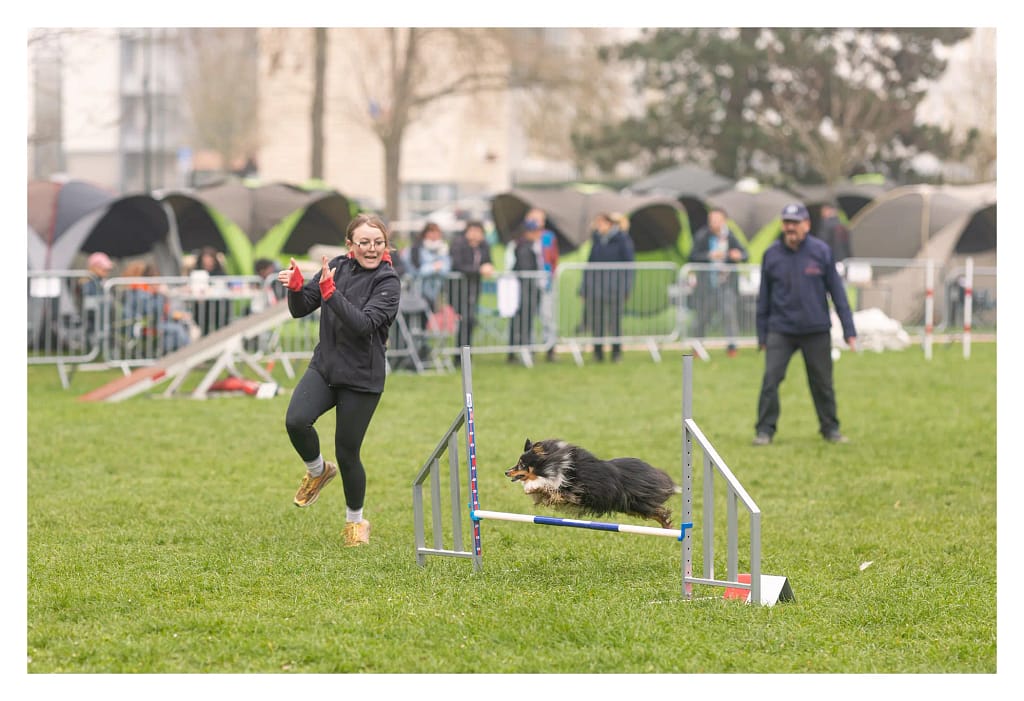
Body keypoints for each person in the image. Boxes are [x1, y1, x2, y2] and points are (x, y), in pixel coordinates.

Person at [278, 213, 401, 547]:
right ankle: (318, 471)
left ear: (385, 245)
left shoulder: (388, 283)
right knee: (296, 421)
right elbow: (301, 308)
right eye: (364, 243)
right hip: (326, 367)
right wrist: (295, 288)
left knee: (348, 453)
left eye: (378, 242)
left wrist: (331, 294)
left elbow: (363, 325)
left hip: (362, 377)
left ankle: (355, 523)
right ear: (351, 245)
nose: (372, 249)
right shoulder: (338, 267)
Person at [753, 202, 857, 446]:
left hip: (816, 329)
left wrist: (849, 330)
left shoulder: (821, 251)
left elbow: (837, 293)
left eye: (795, 223)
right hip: (781, 329)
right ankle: (764, 430)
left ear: (807, 225)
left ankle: (830, 429)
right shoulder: (771, 254)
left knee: (822, 383)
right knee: (770, 381)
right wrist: (761, 335)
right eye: (787, 223)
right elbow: (763, 298)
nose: (790, 227)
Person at [687, 207, 749, 356]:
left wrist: (738, 255)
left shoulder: (731, 236)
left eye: (717, 220)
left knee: (729, 314)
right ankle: (697, 347)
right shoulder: (702, 236)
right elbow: (692, 256)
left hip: (727, 284)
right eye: (711, 220)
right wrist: (709, 255)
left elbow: (745, 254)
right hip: (707, 284)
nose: (714, 223)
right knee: (702, 317)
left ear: (724, 221)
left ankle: (732, 347)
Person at [580, 212, 635, 362]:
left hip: (615, 288)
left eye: (601, 223)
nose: (598, 227)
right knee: (597, 321)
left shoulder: (622, 239)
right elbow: (590, 265)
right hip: (597, 288)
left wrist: (626, 288)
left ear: (610, 224)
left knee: (615, 322)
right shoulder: (597, 240)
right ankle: (598, 353)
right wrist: (584, 288)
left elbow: (629, 265)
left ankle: (616, 353)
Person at [119, 260, 193, 354]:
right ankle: (188, 354)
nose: (158, 283)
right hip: (143, 324)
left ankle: (170, 355)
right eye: (156, 279)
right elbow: (151, 311)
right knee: (176, 328)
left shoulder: (145, 292)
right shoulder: (140, 292)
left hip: (152, 322)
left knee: (180, 325)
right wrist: (160, 295)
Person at [448, 219, 495, 358]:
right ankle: (460, 355)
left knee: (470, 320)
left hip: (474, 288)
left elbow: (488, 261)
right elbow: (458, 265)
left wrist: (488, 266)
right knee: (465, 320)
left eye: (478, 232)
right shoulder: (458, 244)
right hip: (458, 289)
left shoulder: (484, 245)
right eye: (472, 231)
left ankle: (466, 353)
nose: (475, 235)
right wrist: (479, 270)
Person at [504, 214, 546, 363]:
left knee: (520, 322)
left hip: (524, 290)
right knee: (523, 322)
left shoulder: (524, 246)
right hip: (525, 291)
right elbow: (526, 269)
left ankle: (516, 351)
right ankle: (522, 351)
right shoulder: (525, 247)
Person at [403, 221, 451, 312]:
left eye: (437, 232)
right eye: (431, 231)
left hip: (435, 293)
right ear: (424, 233)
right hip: (415, 292)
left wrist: (431, 268)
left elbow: (446, 268)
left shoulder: (443, 249)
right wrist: (433, 267)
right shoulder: (414, 249)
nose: (434, 235)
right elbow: (414, 270)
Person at [191, 246, 231, 335]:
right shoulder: (196, 272)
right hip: (202, 306)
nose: (207, 263)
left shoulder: (220, 273)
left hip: (218, 305)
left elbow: (224, 287)